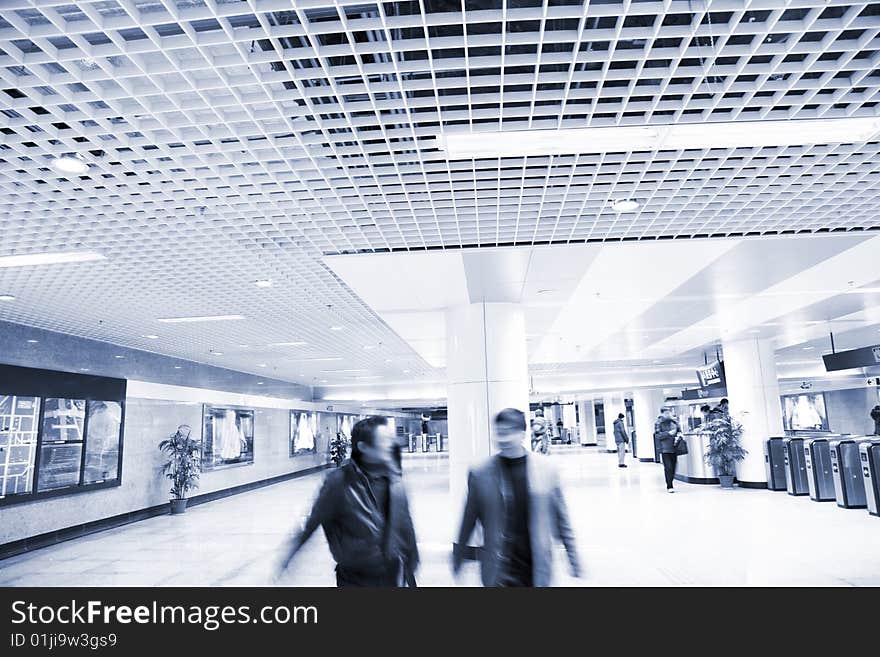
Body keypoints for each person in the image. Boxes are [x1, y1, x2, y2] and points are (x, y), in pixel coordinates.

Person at [276, 416, 419, 587]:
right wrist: (289, 556)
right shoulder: (338, 482)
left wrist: (412, 557)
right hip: (355, 579)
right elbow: (314, 521)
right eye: (384, 440)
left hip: (393, 573)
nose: (391, 444)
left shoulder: (394, 479)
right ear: (364, 447)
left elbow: (404, 521)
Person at [453, 408, 581, 587]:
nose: (502, 439)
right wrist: (458, 557)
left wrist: (573, 558)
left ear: (522, 434)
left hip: (535, 567)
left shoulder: (546, 469)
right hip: (498, 570)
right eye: (498, 433)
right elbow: (468, 519)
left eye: (508, 433)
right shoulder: (480, 473)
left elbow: (562, 519)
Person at [654, 407, 682, 493]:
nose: (668, 414)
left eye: (669, 412)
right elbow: (657, 436)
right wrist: (668, 433)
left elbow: (679, 431)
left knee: (673, 467)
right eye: (666, 413)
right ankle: (669, 485)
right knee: (668, 467)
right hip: (664, 449)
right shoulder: (658, 423)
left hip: (674, 447)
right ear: (662, 413)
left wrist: (679, 435)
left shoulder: (674, 422)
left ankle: (671, 480)